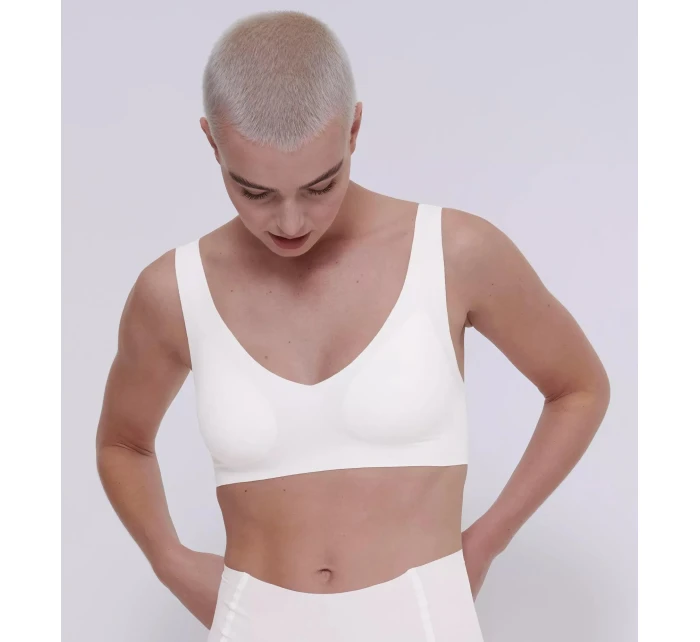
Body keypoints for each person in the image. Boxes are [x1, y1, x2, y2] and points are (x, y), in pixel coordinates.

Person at [95, 9, 611, 642]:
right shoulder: (172, 291)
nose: (290, 223)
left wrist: (482, 546)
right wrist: (170, 562)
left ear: (355, 129)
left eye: (320, 186)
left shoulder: (454, 252)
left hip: (425, 618)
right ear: (212, 144)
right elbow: (123, 443)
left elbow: (578, 388)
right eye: (255, 192)